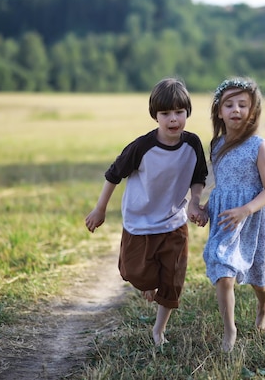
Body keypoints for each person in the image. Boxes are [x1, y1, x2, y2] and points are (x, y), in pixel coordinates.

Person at [85, 77, 208, 346]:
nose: (173, 119)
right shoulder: (142, 147)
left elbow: (199, 176)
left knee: (173, 281)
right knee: (135, 272)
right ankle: (146, 284)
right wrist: (99, 209)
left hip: (174, 222)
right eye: (166, 113)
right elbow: (113, 175)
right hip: (139, 222)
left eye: (179, 112)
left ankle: (158, 330)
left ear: (187, 112)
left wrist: (194, 201)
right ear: (155, 116)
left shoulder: (193, 144)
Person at [201, 77, 265, 352]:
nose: (235, 110)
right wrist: (204, 210)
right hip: (226, 220)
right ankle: (229, 330)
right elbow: (220, 188)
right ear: (219, 112)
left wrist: (246, 209)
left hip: (254, 219)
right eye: (229, 104)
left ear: (253, 111)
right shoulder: (216, 145)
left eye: (242, 105)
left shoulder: (259, 145)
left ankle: (263, 305)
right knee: (224, 272)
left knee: (259, 277)